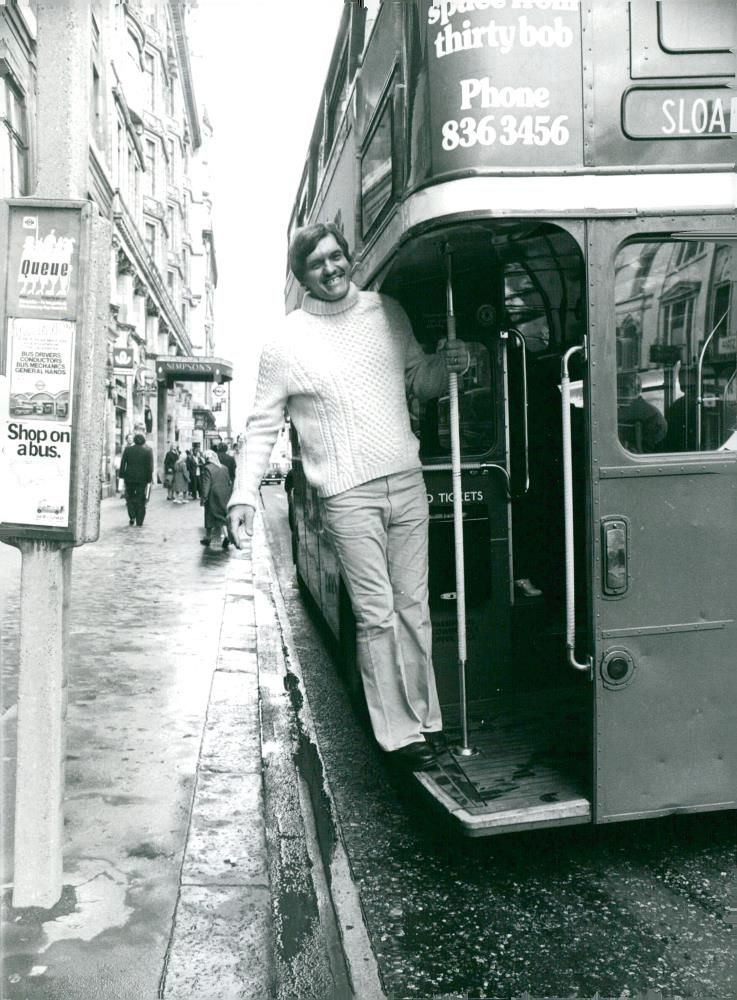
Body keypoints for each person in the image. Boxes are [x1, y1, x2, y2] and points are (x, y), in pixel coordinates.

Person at [227, 221, 469, 771]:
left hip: (407, 482)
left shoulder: (388, 312)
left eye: (337, 256)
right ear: (303, 276)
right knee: (376, 614)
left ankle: (425, 721)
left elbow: (419, 381)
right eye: (318, 263)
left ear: (348, 256)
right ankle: (399, 736)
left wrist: (447, 363)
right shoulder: (285, 342)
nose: (332, 268)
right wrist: (244, 494)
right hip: (347, 495)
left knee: (414, 607)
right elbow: (262, 426)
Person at [617, 371, 667, 453]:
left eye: (624, 390)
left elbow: (647, 452)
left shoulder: (652, 416)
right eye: (617, 390)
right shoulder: (618, 412)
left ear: (636, 390)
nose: (619, 394)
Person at [200, 449, 233, 549]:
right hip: (224, 494)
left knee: (209, 516)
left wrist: (204, 497)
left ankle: (208, 537)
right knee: (222, 516)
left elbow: (206, 484)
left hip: (212, 495)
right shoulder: (224, 468)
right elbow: (229, 482)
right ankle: (227, 536)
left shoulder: (207, 468)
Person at [119, 432, 153, 526]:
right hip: (142, 479)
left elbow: (123, 464)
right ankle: (139, 520)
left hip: (129, 478)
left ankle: (132, 515)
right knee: (141, 499)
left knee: (129, 498)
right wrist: (149, 479)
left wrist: (122, 476)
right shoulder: (148, 451)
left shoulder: (128, 450)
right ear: (143, 441)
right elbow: (149, 467)